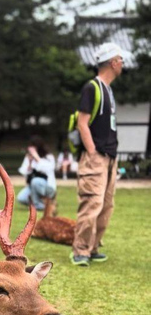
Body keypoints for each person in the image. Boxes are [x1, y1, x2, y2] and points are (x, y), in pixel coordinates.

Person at [71, 42, 127, 267]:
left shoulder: (108, 90)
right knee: (91, 202)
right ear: (113, 62)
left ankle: (93, 247)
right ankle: (80, 250)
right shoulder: (92, 88)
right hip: (96, 156)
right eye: (121, 60)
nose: (122, 64)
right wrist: (93, 152)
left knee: (106, 204)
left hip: (110, 157)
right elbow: (82, 123)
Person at [17, 136, 57, 211]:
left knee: (36, 181)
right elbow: (24, 172)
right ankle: (44, 206)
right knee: (21, 198)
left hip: (48, 187)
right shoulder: (29, 157)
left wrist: (37, 157)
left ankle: (38, 205)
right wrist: (30, 163)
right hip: (32, 187)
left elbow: (48, 169)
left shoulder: (49, 157)